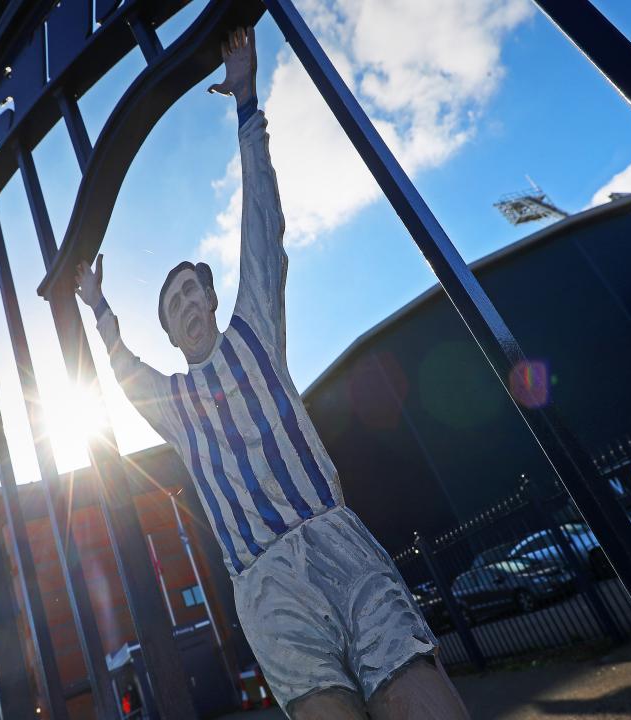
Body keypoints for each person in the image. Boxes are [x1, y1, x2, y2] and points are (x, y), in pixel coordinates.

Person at [75, 26, 470, 720]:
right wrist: (100, 306)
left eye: (195, 291)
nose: (189, 304)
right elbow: (121, 367)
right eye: (174, 304)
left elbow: (262, 226)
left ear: (215, 299)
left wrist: (247, 104)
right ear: (169, 329)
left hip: (333, 538)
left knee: (421, 697)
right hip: (262, 580)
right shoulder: (171, 401)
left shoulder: (255, 331)